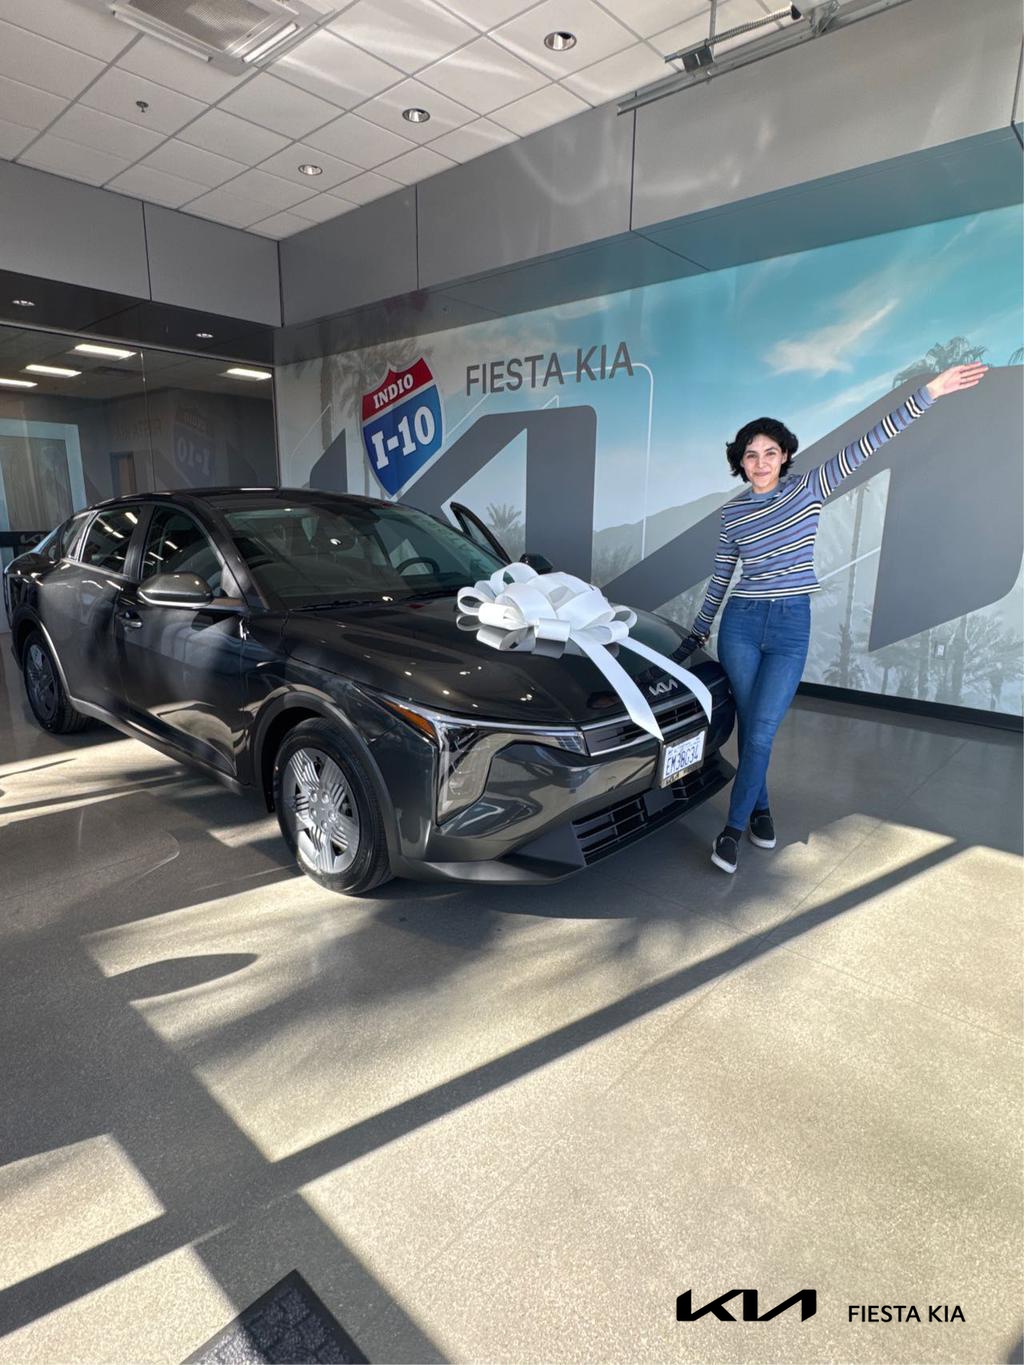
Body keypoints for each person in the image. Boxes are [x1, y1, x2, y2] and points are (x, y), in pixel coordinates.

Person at [678, 363, 988, 874]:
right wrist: (697, 630)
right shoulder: (733, 514)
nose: (760, 462)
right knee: (752, 726)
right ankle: (759, 811)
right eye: (751, 454)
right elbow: (720, 578)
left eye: (770, 452)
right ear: (740, 463)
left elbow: (869, 443)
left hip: (789, 626)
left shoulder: (810, 488)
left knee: (761, 731)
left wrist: (930, 392)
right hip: (741, 624)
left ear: (785, 456)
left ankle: (732, 829)